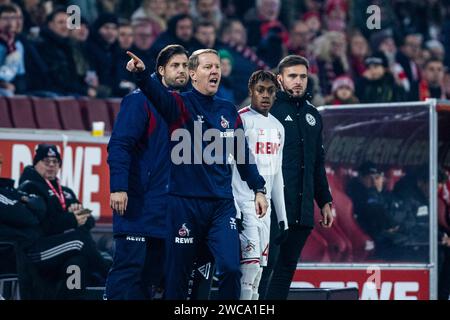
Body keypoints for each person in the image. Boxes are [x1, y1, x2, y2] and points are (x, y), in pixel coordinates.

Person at [126, 48, 268, 300]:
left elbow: (243, 155)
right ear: (192, 74)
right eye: (207, 67)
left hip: (221, 205)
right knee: (177, 277)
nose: (215, 71)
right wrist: (141, 75)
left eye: (217, 67)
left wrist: (259, 188)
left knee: (232, 269)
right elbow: (156, 94)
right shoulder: (179, 105)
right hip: (184, 204)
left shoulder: (228, 110)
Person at [106, 44, 189, 300]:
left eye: (186, 66)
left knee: (153, 278)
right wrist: (119, 187)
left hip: (168, 208)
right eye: (176, 66)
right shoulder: (139, 99)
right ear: (161, 69)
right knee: (129, 271)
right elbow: (120, 145)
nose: (182, 71)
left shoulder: (185, 104)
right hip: (138, 202)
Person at [258, 55, 333, 300]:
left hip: (301, 209)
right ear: (280, 79)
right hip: (271, 209)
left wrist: (325, 201)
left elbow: (317, 162)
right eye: (292, 76)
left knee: (286, 270)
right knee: (264, 268)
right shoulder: (267, 111)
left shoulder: (314, 116)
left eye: (302, 76)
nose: (298, 81)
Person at [18, 144, 110, 287]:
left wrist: (78, 216)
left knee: (78, 261)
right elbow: (44, 224)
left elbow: (89, 218)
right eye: (46, 161)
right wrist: (72, 218)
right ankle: (112, 278)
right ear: (36, 163)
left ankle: (96, 288)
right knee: (79, 240)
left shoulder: (65, 191)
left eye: (55, 162)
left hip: (63, 245)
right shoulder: (30, 186)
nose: (51, 165)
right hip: (40, 247)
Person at [232, 70, 288, 300]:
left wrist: (282, 216)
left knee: (258, 274)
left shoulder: (278, 127)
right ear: (251, 91)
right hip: (244, 203)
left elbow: (277, 174)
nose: (265, 95)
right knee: (250, 268)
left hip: (266, 210)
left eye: (270, 91)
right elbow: (228, 167)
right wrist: (233, 206)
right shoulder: (240, 120)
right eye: (260, 90)